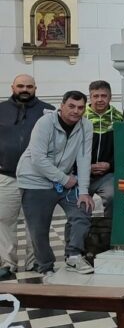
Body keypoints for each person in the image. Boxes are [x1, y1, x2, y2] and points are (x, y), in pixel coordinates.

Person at [16, 91, 94, 277]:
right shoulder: (45, 123)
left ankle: (74, 256)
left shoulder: (86, 125)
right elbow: (38, 159)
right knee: (39, 228)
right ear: (62, 105)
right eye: (71, 106)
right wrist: (65, 179)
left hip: (63, 181)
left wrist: (83, 191)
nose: (76, 111)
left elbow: (84, 158)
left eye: (81, 107)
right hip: (35, 180)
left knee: (82, 210)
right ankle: (46, 267)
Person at [0, 74, 53, 280]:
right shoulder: (1, 110)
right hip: (6, 175)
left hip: (37, 177)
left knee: (36, 221)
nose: (25, 89)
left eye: (29, 86)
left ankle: (36, 260)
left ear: (35, 88)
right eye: (20, 85)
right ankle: (7, 262)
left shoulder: (47, 111)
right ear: (12, 87)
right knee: (4, 220)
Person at [83, 81, 123, 220]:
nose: (100, 99)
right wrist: (86, 167)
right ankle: (79, 239)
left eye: (104, 96)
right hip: (82, 174)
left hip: (108, 174)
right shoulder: (80, 117)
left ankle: (110, 237)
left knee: (114, 197)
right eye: (96, 96)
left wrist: (110, 165)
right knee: (79, 205)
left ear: (110, 97)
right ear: (90, 97)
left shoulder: (119, 118)